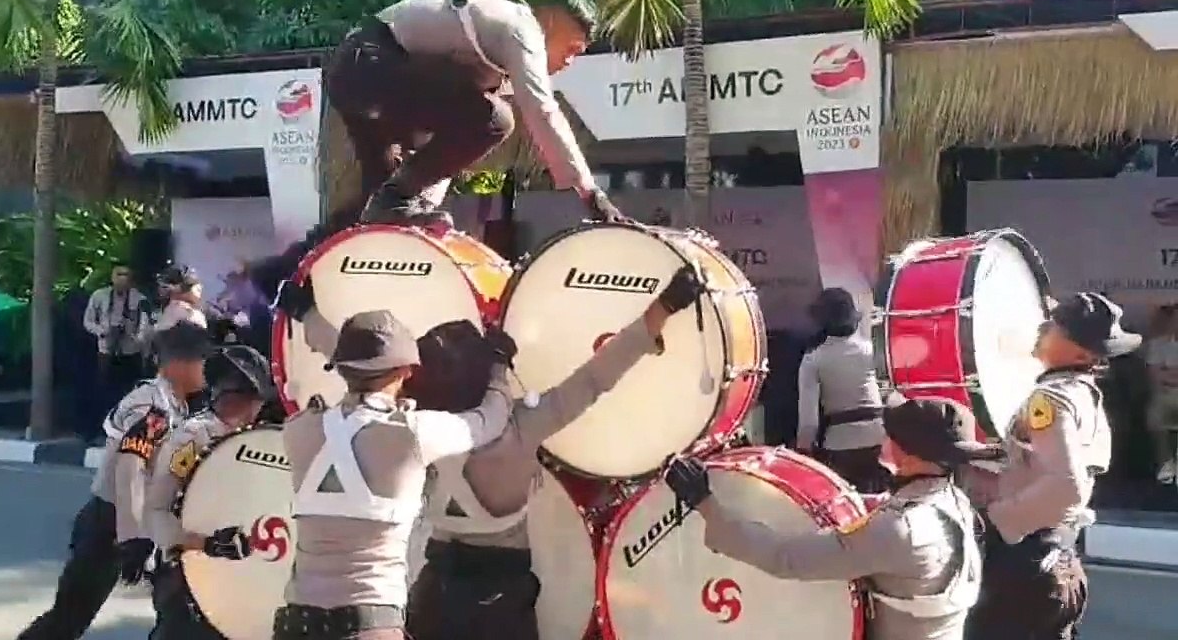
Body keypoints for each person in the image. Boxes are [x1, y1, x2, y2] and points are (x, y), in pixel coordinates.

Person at [406, 267, 703, 640]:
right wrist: (662, 308)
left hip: (432, 593)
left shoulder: (407, 428)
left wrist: (308, 315)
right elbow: (595, 377)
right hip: (499, 595)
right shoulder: (520, 425)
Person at [665, 395, 1002, 640]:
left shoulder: (899, 530)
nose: (884, 438)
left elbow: (786, 558)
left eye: (892, 435)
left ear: (910, 455)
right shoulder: (955, 501)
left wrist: (706, 503)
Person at [273, 309, 517, 640]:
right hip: (369, 626)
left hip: (296, 627)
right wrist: (498, 367)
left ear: (341, 368)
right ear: (406, 370)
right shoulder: (415, 434)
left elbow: (352, 413)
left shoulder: (298, 430)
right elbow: (491, 419)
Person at [326, 0, 626, 227]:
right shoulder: (522, 27)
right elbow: (543, 112)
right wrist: (590, 192)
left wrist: (423, 207)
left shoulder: (492, 58)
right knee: (495, 121)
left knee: (374, 220)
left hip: (356, 74)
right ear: (549, 20)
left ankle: (293, 283)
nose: (569, 62)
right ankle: (394, 199)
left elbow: (439, 153)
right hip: (369, 64)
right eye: (571, 49)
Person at [18, 323, 212, 640]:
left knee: (178, 617)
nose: (207, 370)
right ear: (181, 362)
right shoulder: (154, 408)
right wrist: (131, 535)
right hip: (109, 523)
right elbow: (131, 465)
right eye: (204, 360)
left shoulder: (178, 407)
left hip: (144, 523)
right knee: (68, 618)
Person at [964, 292, 1132, 640]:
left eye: (1055, 325)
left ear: (1079, 353)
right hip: (1055, 557)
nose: (1043, 328)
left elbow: (1066, 487)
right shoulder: (1080, 393)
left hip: (1026, 562)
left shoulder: (1050, 399)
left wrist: (1000, 518)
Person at [144, 345, 278, 639]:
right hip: (186, 579)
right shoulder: (193, 437)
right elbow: (155, 511)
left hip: (237, 581)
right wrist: (205, 544)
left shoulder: (259, 440)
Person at [797, 287, 889, 493]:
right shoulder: (870, 350)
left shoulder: (813, 359)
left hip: (841, 445)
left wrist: (804, 452)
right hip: (879, 437)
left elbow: (808, 420)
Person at [82, 265, 151, 441]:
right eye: (119, 274)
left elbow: (145, 324)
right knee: (103, 391)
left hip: (130, 352)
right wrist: (102, 331)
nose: (122, 278)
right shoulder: (100, 296)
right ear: (112, 277)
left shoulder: (139, 299)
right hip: (106, 350)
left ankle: (128, 430)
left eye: (126, 275)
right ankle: (98, 431)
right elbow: (88, 321)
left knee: (130, 392)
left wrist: (136, 337)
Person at [1145, 304, 1178, 483]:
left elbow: (1163, 372)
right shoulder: (1158, 344)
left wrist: (1168, 372)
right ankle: (1166, 468)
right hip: (1164, 393)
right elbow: (1155, 374)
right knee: (1155, 419)